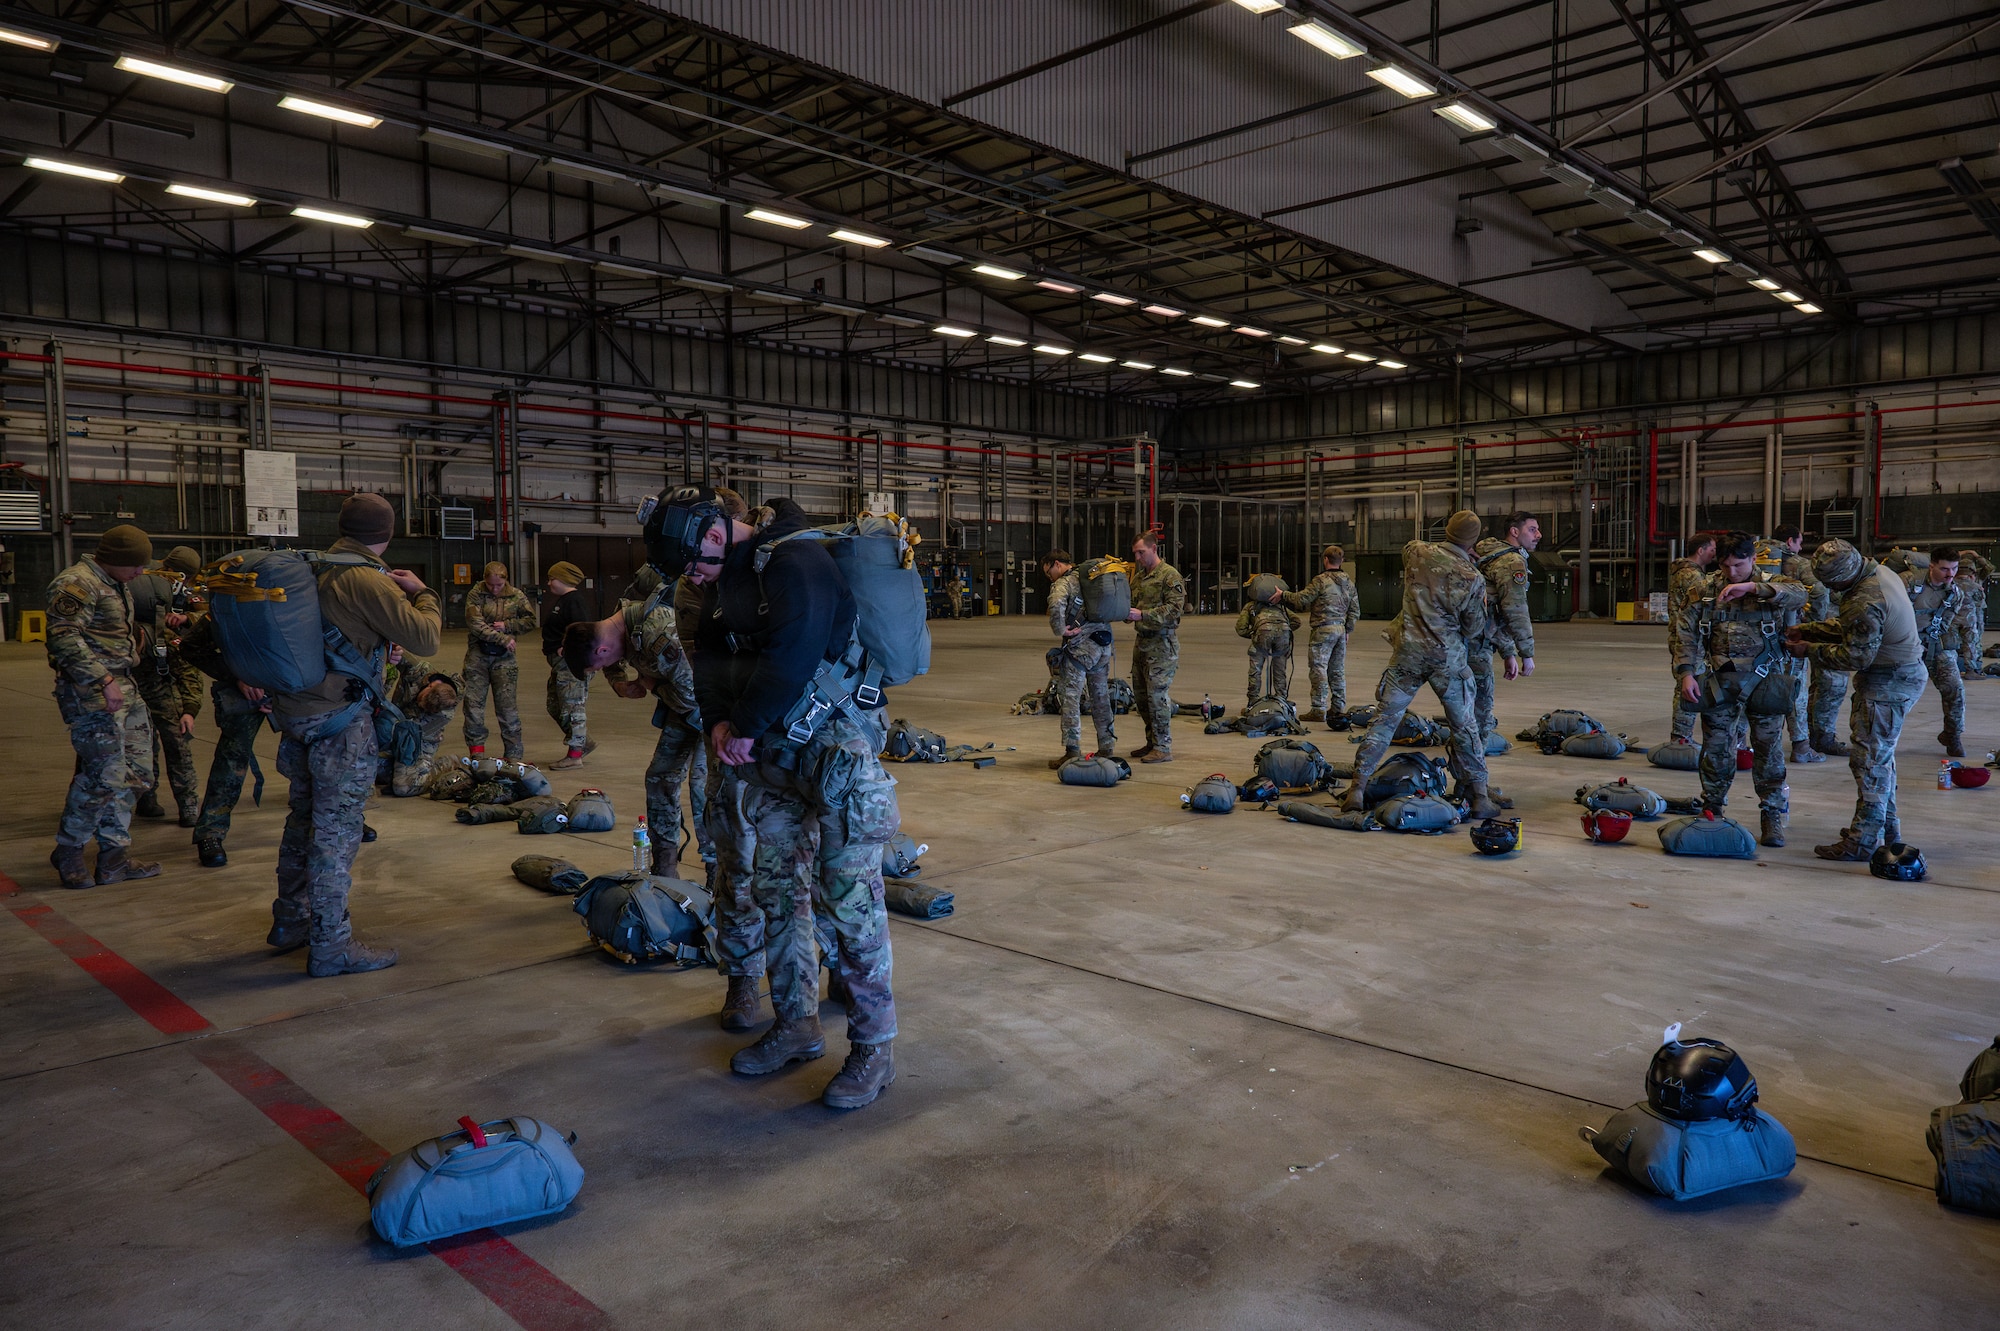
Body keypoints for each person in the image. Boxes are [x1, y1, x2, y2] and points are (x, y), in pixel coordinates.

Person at [649, 486, 900, 1110]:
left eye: (694, 563)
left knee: (849, 904)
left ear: (712, 535)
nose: (693, 577)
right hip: (770, 756)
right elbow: (704, 656)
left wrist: (745, 726)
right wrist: (716, 724)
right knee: (778, 891)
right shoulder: (723, 582)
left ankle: (874, 1047)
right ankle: (796, 1024)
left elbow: (795, 653)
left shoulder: (795, 561)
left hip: (835, 751)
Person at [268, 492, 441, 976]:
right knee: (336, 835)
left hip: (296, 716)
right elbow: (425, 637)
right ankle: (330, 947)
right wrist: (422, 593)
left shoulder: (308, 568)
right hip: (339, 724)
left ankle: (290, 921)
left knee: (302, 822)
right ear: (386, 535)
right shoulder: (367, 579)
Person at [1342, 511, 1501, 818]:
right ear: (1473, 542)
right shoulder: (1472, 578)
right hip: (1448, 660)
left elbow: (1420, 554)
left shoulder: (1416, 552)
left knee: (1384, 720)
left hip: (1408, 655)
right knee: (1464, 727)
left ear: (1447, 531)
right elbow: (1473, 629)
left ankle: (1357, 789)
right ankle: (1480, 797)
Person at [1787, 540, 1927, 861]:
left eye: (1833, 584)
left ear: (1843, 576)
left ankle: (1863, 841)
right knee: (1881, 758)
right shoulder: (1877, 571)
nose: (1832, 590)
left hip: (1889, 682)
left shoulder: (1864, 598)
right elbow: (1856, 629)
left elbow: (1856, 654)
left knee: (1869, 760)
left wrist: (1807, 649)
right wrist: (1810, 630)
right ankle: (1884, 830)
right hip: (1899, 674)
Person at [1673, 531, 1809, 848]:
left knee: (1768, 750)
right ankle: (1713, 810)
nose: (1731, 572)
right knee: (1716, 750)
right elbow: (1686, 634)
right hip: (1721, 678)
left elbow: (1800, 595)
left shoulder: (1773, 586)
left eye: (1738, 565)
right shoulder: (1704, 590)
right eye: (1725, 565)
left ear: (1752, 559)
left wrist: (1752, 588)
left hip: (1765, 679)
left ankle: (1772, 815)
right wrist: (1686, 673)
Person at [46, 524, 160, 888]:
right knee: (102, 776)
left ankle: (114, 857)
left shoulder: (116, 583)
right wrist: (103, 679)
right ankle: (69, 850)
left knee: (138, 775)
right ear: (113, 559)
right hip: (95, 690)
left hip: (125, 685)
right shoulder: (76, 584)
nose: (141, 573)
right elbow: (63, 635)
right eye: (136, 565)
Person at [563, 598, 710, 875]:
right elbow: (610, 659)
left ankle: (718, 872)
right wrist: (618, 681)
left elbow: (694, 696)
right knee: (659, 779)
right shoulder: (614, 627)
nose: (602, 667)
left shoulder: (660, 634)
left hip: (713, 713)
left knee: (704, 790)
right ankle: (664, 868)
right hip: (682, 710)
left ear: (603, 649)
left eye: (596, 665)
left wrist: (650, 683)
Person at [176, 611, 272, 868]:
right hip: (246, 689)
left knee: (317, 755)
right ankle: (211, 832)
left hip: (296, 688)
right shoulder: (235, 599)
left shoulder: (305, 594)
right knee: (232, 761)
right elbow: (191, 646)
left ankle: (338, 818)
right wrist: (237, 675)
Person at [127, 546, 205, 825]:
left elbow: (189, 672)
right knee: (141, 744)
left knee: (176, 741)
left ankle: (188, 806)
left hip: (159, 685)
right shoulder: (120, 635)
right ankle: (146, 800)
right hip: (129, 688)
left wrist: (190, 710)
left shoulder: (166, 636)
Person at [1470, 515, 1540, 749]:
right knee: (1481, 706)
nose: (1538, 535)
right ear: (1515, 532)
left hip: (1464, 635)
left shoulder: (1485, 554)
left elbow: (1494, 609)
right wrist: (1525, 652)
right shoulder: (1511, 561)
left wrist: (1508, 652)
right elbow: (1514, 610)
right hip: (1478, 641)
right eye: (1532, 529)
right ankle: (1473, 772)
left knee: (1465, 701)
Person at [1042, 550, 1116, 769]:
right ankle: (1107, 746)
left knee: (1070, 697)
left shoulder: (1064, 583)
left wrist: (1060, 629)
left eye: (1049, 572)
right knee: (1100, 697)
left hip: (1081, 649)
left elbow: (1056, 605)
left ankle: (1072, 749)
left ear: (1056, 564)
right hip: (1103, 645)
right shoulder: (1090, 578)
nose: (1050, 577)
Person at [460, 561, 535, 761]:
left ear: (506, 580)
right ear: (485, 580)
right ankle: (477, 754)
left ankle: (514, 756)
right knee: (473, 705)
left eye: (499, 585)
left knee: (507, 707)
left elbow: (530, 622)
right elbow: (475, 623)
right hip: (478, 656)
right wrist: (501, 637)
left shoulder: (517, 596)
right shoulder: (476, 594)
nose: (494, 589)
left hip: (505, 659)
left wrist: (508, 626)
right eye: (490, 584)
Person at [1124, 532, 1185, 763]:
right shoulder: (1139, 578)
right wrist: (1127, 614)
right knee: (1141, 698)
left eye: (1141, 552)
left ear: (1154, 549)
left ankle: (1163, 747)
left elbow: (1174, 611)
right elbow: (1132, 605)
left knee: (1157, 697)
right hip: (1142, 642)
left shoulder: (1170, 576)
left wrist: (1143, 615)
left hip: (1162, 644)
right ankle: (1152, 741)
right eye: (1135, 554)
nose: (1138, 557)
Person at [1281, 544, 1360, 722]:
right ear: (1341, 561)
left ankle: (1318, 709)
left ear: (1325, 560)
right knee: (1337, 670)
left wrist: (1283, 595)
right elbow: (1355, 610)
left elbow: (1302, 599)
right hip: (1340, 630)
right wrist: (1347, 629)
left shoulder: (1320, 581)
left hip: (1323, 630)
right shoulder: (1348, 582)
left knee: (1318, 669)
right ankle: (1338, 708)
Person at [1902, 546, 1967, 758]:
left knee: (1954, 688)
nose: (1950, 574)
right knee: (1894, 694)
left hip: (1931, 642)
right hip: (1903, 643)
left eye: (1955, 569)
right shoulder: (1909, 583)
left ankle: (1953, 735)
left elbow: (1946, 622)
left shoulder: (1955, 593)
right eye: (1944, 569)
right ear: (1931, 566)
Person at [380, 646, 460, 797]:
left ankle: (446, 764)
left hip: (418, 743)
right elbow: (398, 650)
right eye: (421, 699)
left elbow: (408, 739)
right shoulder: (419, 671)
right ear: (431, 685)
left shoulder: (444, 712)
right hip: (396, 728)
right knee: (368, 768)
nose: (418, 703)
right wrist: (392, 651)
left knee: (402, 787)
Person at [1664, 532, 1719, 744]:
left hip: (1682, 636)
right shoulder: (1693, 577)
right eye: (1712, 550)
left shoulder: (1682, 572)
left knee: (1690, 686)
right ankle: (1680, 739)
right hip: (1690, 639)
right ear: (1701, 550)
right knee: (1689, 687)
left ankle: (1681, 738)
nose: (1714, 555)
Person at [541, 560, 593, 769]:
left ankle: (575, 754)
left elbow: (582, 630)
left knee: (573, 709)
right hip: (558, 664)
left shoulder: (574, 601)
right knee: (554, 706)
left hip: (569, 665)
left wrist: (568, 648)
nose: (549, 583)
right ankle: (582, 741)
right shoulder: (563, 600)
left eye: (552, 578)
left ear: (563, 579)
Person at [1235, 577, 1297, 706]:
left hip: (1262, 633)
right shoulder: (1280, 606)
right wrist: (1286, 630)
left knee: (1256, 668)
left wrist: (1253, 633)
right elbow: (1297, 621)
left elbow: (1240, 628)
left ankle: (1253, 700)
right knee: (1280, 668)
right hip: (1283, 633)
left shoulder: (1250, 606)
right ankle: (1281, 700)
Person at [1954, 548, 1992, 676]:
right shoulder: (1975, 583)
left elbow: (1989, 567)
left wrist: (1976, 555)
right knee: (1972, 641)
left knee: (1970, 640)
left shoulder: (1952, 583)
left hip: (1962, 615)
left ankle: (1971, 664)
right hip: (1972, 614)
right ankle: (1973, 667)